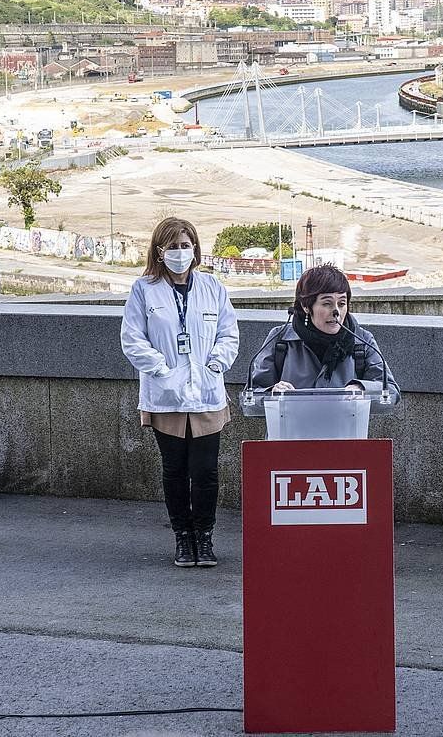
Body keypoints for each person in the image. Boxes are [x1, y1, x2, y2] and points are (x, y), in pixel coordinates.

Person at [121, 217, 239, 569]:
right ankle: (182, 538)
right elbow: (132, 338)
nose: (180, 252)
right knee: (175, 471)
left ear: (196, 249)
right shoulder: (144, 289)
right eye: (172, 246)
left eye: (185, 245)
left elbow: (228, 332)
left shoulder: (212, 286)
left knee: (206, 472)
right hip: (166, 396)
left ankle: (204, 536)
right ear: (159, 251)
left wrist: (215, 364)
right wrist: (161, 369)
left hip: (206, 394)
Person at [249, 264, 398, 402]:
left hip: (344, 429)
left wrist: (362, 389)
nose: (336, 312)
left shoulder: (362, 340)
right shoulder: (280, 339)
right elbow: (252, 394)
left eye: (341, 303)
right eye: (327, 303)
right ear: (306, 306)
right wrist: (273, 393)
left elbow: (391, 389)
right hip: (291, 428)